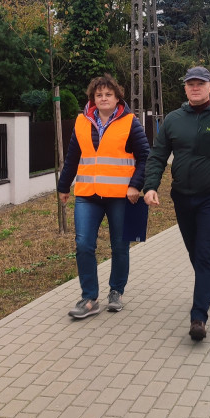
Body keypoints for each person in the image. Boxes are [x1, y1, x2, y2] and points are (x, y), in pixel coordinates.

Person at [142, 66, 210, 342]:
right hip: (182, 197)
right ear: (185, 88)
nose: (195, 87)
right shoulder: (174, 121)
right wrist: (151, 185)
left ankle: (198, 316)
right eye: (190, 84)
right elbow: (156, 156)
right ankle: (208, 287)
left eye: (200, 83)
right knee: (194, 250)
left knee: (205, 252)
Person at [58, 74, 150, 320]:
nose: (103, 98)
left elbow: (145, 156)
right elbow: (72, 158)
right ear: (92, 98)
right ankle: (89, 298)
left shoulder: (130, 122)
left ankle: (116, 291)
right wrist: (63, 185)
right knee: (83, 244)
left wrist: (135, 185)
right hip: (88, 194)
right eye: (99, 95)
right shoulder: (81, 122)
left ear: (117, 97)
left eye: (108, 94)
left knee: (120, 245)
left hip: (121, 195)